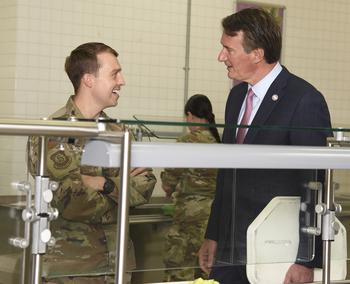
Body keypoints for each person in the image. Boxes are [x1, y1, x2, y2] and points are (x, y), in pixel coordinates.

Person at [198, 8, 332, 284]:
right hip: (230, 251)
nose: (221, 57)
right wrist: (213, 234)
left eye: (228, 49)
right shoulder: (236, 97)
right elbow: (228, 173)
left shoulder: (303, 100)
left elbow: (315, 185)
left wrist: (306, 259)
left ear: (256, 54)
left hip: (276, 254)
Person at [27, 42, 156, 284]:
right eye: (115, 73)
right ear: (88, 80)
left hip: (118, 265)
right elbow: (70, 201)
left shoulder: (120, 131)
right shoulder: (51, 132)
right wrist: (121, 189)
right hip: (71, 268)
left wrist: (103, 184)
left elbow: (146, 184)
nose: (122, 81)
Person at [161, 94, 220, 281]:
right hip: (213, 220)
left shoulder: (187, 141)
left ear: (189, 114)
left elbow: (169, 179)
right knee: (205, 270)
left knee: (179, 269)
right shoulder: (218, 142)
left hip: (189, 218)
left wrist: (169, 189)